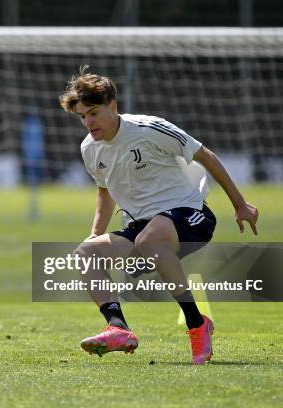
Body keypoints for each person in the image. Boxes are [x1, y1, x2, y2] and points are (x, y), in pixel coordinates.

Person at [59, 66, 259, 364]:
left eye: (94, 112)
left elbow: (205, 156)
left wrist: (240, 204)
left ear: (112, 106)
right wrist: (95, 233)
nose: (88, 122)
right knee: (85, 253)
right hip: (141, 229)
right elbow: (105, 192)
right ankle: (117, 328)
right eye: (82, 116)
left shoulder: (149, 128)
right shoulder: (90, 149)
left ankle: (196, 324)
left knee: (149, 241)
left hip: (191, 216)